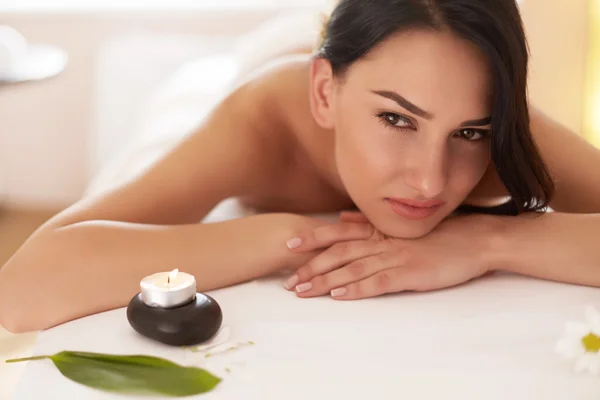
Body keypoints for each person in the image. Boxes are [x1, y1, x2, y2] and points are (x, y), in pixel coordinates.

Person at [1, 0, 600, 334]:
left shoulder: (503, 125)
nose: (430, 180)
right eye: (397, 120)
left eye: (468, 133)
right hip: (275, 50)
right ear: (324, 94)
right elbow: (21, 289)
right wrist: (282, 238)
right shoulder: (261, 123)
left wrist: (488, 240)